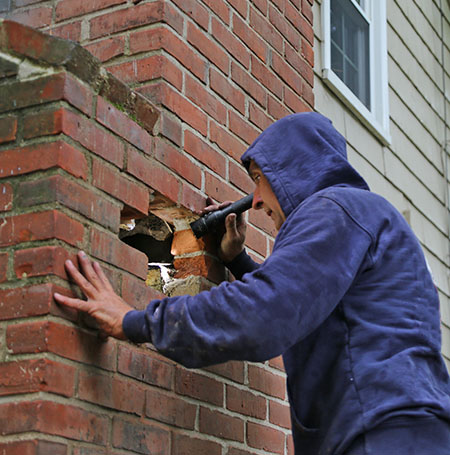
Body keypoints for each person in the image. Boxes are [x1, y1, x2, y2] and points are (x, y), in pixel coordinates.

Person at [54, 112, 450, 454]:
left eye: (260, 179)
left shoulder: (335, 209)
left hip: (382, 438)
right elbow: (305, 301)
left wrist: (132, 321)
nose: (256, 201)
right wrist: (238, 260)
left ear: (296, 171)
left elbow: (264, 314)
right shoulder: (358, 216)